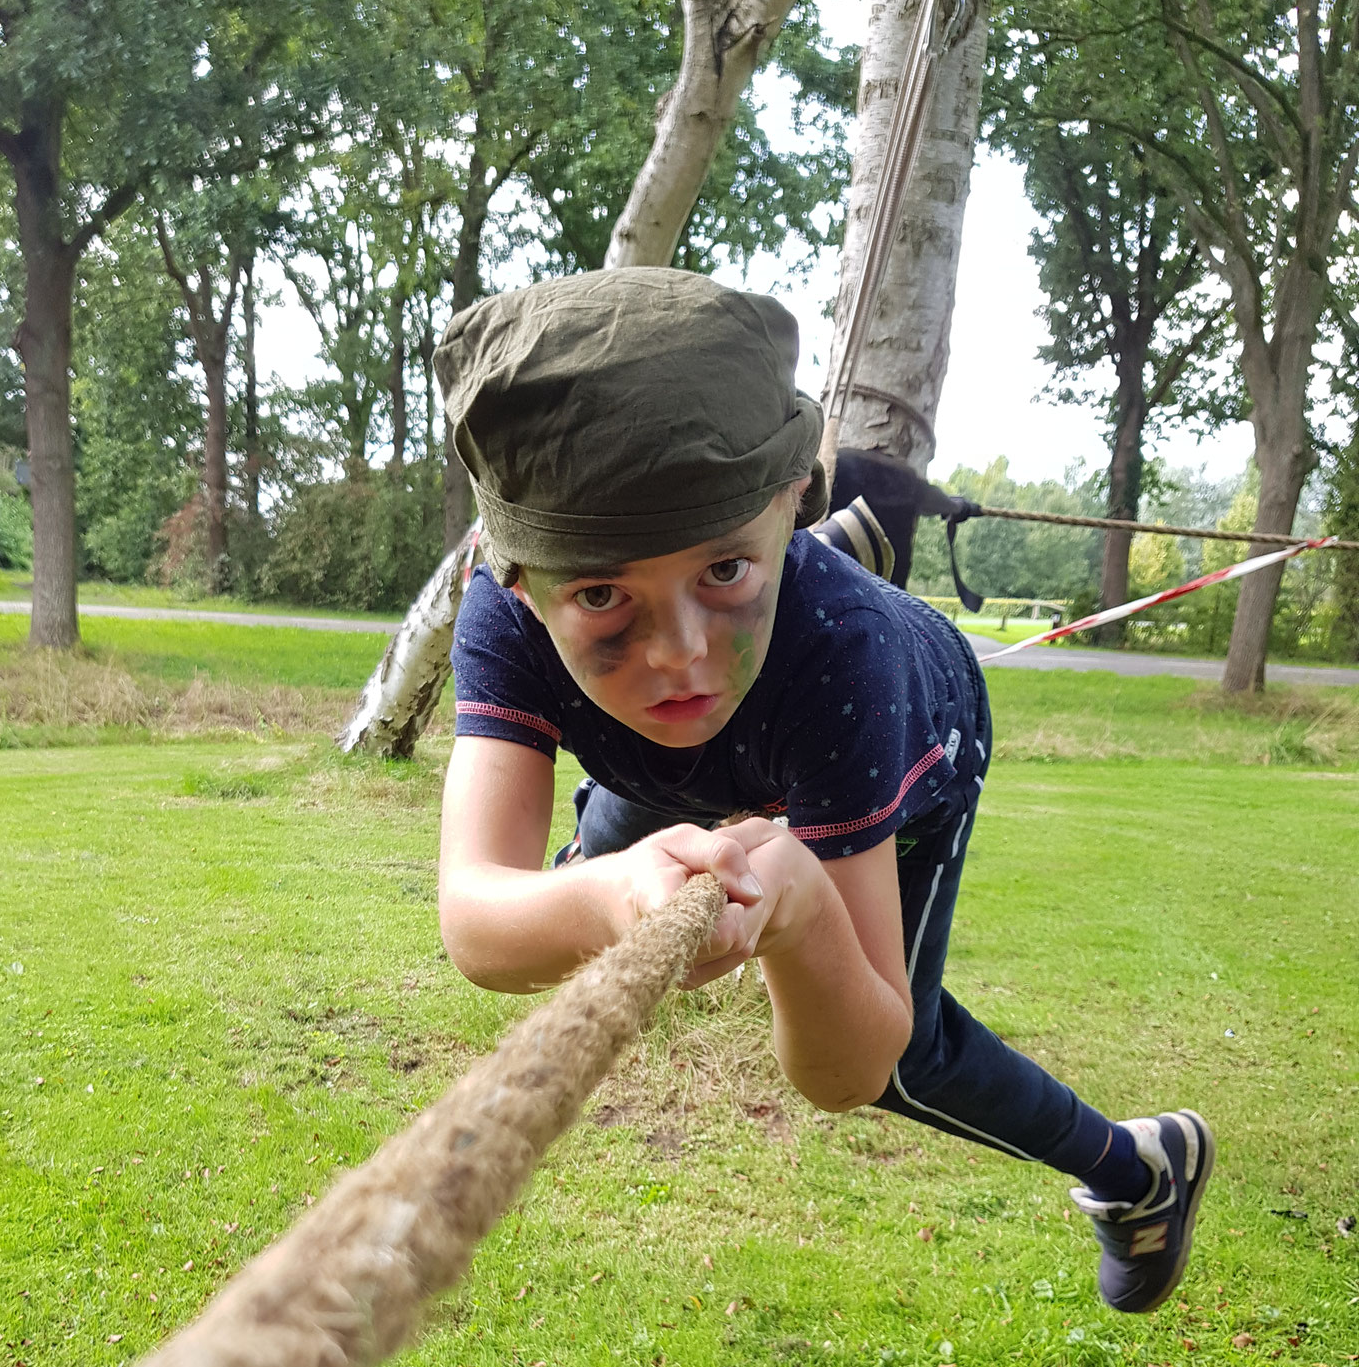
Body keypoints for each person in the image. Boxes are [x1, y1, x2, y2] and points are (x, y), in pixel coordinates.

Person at [432, 267, 1212, 1314]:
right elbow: (477, 919)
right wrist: (610, 897)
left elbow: (848, 1066)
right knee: (621, 846)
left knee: (909, 1055)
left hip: (908, 725)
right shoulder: (501, 612)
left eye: (721, 571)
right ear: (513, 575)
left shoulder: (850, 661)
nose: (682, 655)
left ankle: (1142, 1171)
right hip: (673, 760)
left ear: (794, 494)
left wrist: (799, 916)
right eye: (607, 593)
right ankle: (736, 646)